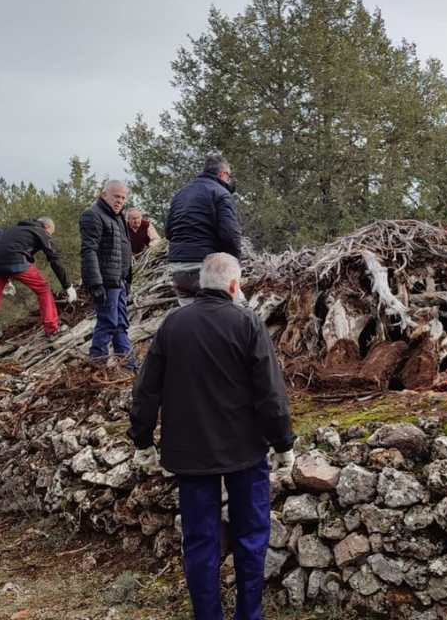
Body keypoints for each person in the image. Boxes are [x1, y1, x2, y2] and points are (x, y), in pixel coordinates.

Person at [130, 252, 295, 620]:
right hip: (246, 452)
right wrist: (283, 443)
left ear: (202, 283)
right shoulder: (247, 323)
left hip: (190, 453)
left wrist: (142, 440)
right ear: (234, 286)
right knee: (251, 538)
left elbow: (146, 390)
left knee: (200, 543)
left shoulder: (173, 325)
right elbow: (270, 393)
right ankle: (248, 615)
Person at [0, 217, 76, 337]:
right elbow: (54, 259)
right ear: (47, 227)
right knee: (43, 288)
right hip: (15, 260)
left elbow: (4, 252)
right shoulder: (41, 231)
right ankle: (52, 329)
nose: (49, 236)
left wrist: (6, 280)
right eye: (50, 233)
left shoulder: (16, 229)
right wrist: (67, 286)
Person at [165, 153, 241, 306]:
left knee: (191, 320)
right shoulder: (221, 193)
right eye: (229, 176)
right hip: (206, 268)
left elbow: (168, 232)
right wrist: (235, 263)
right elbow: (229, 234)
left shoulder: (180, 194)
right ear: (223, 174)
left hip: (178, 268)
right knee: (238, 312)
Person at [80, 180, 134, 366]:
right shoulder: (92, 215)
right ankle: (97, 366)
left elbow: (124, 249)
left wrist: (127, 279)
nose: (119, 201)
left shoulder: (119, 218)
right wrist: (95, 283)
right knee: (108, 323)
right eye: (116, 197)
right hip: (105, 282)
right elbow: (89, 251)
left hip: (119, 282)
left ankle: (128, 366)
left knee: (121, 326)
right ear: (104, 195)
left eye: (123, 198)